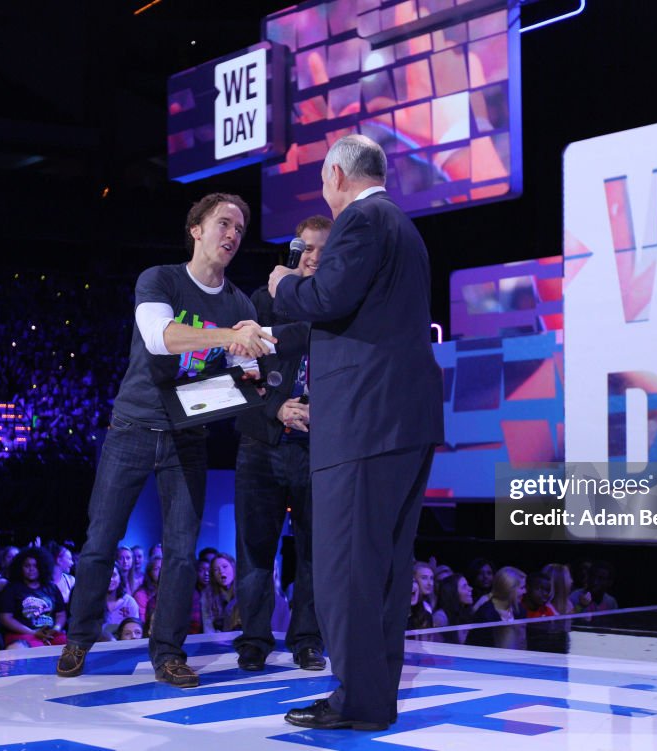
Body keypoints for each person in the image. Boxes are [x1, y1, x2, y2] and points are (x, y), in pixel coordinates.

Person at [56, 192, 274, 688]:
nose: (233, 235)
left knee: (180, 551)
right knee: (100, 542)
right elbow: (161, 338)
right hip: (132, 429)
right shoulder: (160, 279)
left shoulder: (239, 303)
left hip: (188, 439)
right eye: (223, 223)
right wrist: (228, 338)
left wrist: (255, 367)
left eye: (240, 229)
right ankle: (78, 638)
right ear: (196, 229)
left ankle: (169, 653)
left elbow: (244, 372)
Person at [268, 135, 444, 731]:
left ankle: (357, 700)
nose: (323, 190)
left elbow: (326, 296)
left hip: (364, 423)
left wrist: (282, 285)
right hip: (404, 422)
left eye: (322, 180)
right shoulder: (403, 226)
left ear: (338, 173)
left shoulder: (362, 219)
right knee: (385, 571)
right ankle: (369, 699)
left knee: (348, 568)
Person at [232, 215, 332, 673]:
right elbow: (234, 376)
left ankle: (307, 640)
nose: (312, 257)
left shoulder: (340, 307)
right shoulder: (261, 302)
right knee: (255, 550)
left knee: (313, 552)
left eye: (321, 250)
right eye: (305, 248)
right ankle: (254, 639)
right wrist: (276, 408)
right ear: (292, 253)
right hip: (262, 444)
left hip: (319, 448)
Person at [0, 547, 67, 649]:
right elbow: (6, 618)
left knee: (75, 648)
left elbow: (61, 614)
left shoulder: (51, 587)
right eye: (27, 566)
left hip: (51, 634)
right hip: (22, 635)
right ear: (20, 568)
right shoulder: (12, 589)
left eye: (36, 566)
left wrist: (56, 628)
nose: (31, 569)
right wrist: (33, 632)